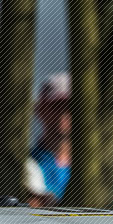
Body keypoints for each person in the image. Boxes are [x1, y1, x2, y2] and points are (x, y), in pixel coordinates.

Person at [29, 72, 72, 204]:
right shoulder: (24, 164)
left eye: (71, 106)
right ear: (39, 110)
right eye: (56, 106)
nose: (64, 113)